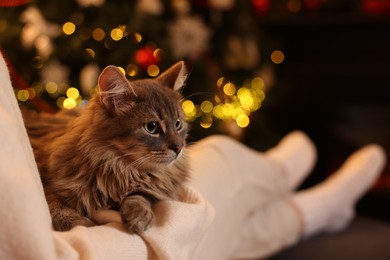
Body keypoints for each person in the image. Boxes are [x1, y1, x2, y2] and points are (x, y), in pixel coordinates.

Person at [0, 52, 386, 260]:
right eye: (153, 129)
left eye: (177, 127)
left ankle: (312, 210)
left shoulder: (163, 145)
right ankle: (281, 176)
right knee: (222, 155)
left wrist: (138, 194)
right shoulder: (76, 158)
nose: (174, 144)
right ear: (112, 106)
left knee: (219, 207)